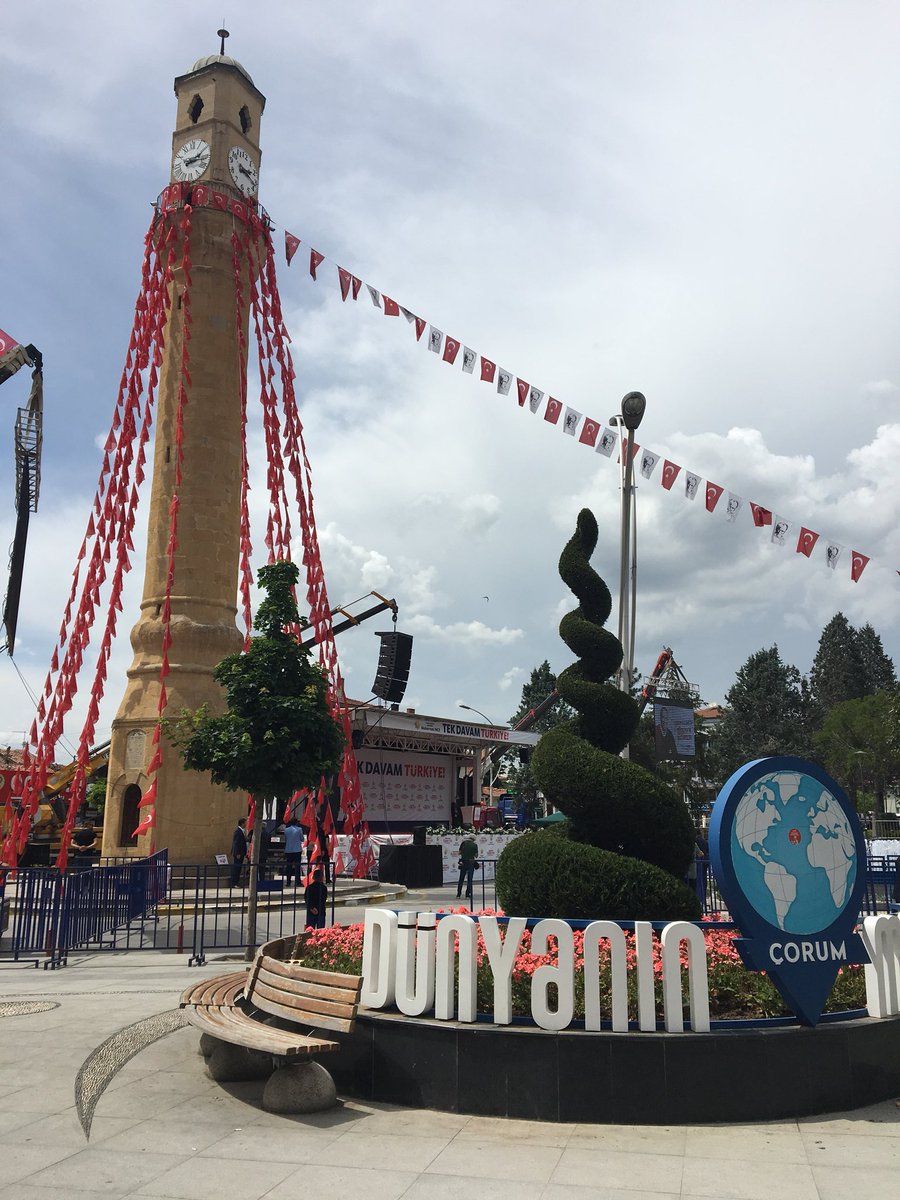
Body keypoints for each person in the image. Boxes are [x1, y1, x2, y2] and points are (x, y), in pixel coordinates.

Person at [457, 831, 479, 901]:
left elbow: (459, 852)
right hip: (471, 862)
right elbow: (476, 855)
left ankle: (458, 894)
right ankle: (467, 894)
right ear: (474, 839)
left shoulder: (463, 843)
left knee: (461, 879)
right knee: (469, 879)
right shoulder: (475, 845)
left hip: (463, 862)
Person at [283, 817, 303, 887]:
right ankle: (298, 882)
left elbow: (285, 839)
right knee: (297, 866)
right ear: (297, 823)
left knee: (289, 866)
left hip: (288, 850)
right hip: (297, 850)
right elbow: (302, 839)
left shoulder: (286, 830)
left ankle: (288, 881)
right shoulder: (299, 829)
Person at [230, 817, 247, 887]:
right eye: (245, 823)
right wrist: (237, 853)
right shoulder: (238, 832)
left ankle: (236, 882)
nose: (246, 824)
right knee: (236, 868)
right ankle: (234, 883)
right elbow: (236, 843)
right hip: (238, 854)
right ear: (242, 823)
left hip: (241, 854)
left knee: (239, 868)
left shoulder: (242, 831)